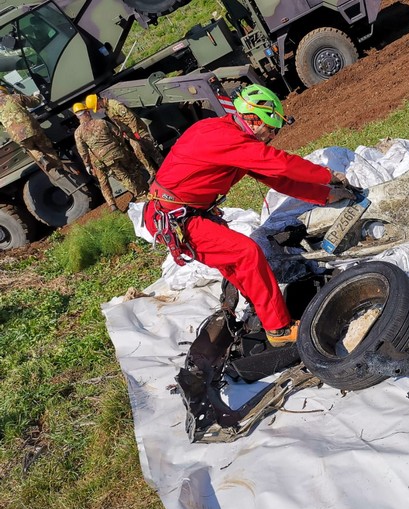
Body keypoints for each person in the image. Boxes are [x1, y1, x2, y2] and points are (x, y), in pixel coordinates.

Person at [143, 84, 354, 346]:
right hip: (176, 218)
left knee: (232, 260)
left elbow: (278, 178)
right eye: (270, 129)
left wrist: (324, 194)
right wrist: (326, 175)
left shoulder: (234, 139)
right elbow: (280, 163)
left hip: (185, 213)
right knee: (246, 253)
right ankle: (278, 328)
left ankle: (260, 309)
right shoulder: (225, 137)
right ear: (253, 119)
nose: (271, 136)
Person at [72, 102, 148, 211]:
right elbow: (118, 133)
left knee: (124, 177)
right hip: (119, 151)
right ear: (87, 112)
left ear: (76, 116)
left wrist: (87, 164)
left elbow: (82, 151)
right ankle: (145, 189)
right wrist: (121, 145)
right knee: (133, 170)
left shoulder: (78, 133)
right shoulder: (101, 122)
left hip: (107, 159)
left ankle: (142, 196)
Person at [85, 93, 164, 179]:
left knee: (151, 149)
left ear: (99, 102)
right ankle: (152, 172)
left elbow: (131, 117)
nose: (99, 109)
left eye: (97, 107)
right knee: (140, 154)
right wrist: (123, 131)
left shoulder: (115, 105)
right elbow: (118, 122)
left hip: (138, 131)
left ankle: (164, 166)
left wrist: (135, 132)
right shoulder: (108, 110)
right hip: (130, 134)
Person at [0, 84, 68, 175]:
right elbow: (35, 102)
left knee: (31, 148)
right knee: (46, 147)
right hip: (31, 128)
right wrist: (37, 95)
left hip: (17, 136)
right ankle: (60, 168)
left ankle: (41, 158)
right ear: (4, 91)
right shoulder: (15, 97)